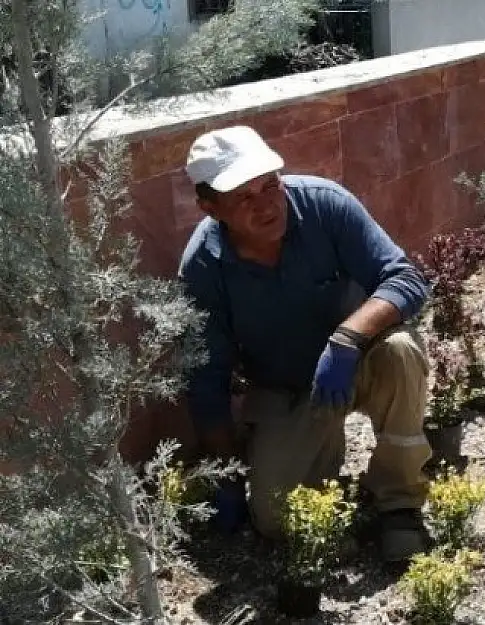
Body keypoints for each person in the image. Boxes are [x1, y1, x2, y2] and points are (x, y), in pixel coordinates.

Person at [178, 125, 433, 564]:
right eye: (244, 196)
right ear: (210, 207)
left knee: (401, 352)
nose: (267, 204)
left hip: (358, 362)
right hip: (287, 387)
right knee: (276, 519)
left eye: (270, 184)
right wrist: (224, 472)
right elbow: (207, 376)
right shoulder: (204, 266)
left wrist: (348, 338)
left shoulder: (324, 205)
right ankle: (322, 472)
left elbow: (406, 279)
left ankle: (399, 503)